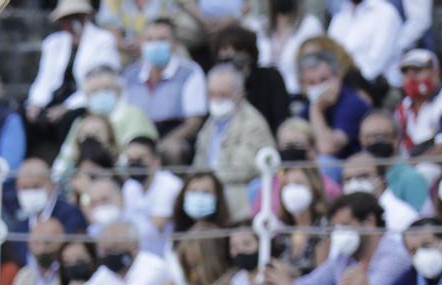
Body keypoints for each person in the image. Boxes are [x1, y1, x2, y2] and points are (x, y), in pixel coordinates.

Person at [28, 0, 121, 138]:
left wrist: (66, 108)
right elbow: (44, 78)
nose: (69, 23)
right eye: (65, 19)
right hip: (55, 98)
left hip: (84, 99)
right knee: (26, 117)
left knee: (71, 118)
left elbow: (101, 82)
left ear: (85, 17)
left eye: (74, 17)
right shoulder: (53, 43)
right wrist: (35, 103)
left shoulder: (103, 40)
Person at [191, 63, 272, 212]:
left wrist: (209, 181)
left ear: (239, 94)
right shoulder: (211, 123)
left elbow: (243, 169)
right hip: (209, 187)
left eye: (223, 95)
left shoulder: (253, 124)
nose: (216, 100)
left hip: (238, 189)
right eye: (212, 94)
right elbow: (199, 162)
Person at [124, 18, 206, 156]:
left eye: (162, 39)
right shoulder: (130, 75)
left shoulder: (190, 72)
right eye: (149, 40)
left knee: (173, 150)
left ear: (174, 43)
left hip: (173, 134)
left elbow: (193, 122)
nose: (155, 45)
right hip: (136, 137)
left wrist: (160, 146)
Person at [301, 48, 372, 159]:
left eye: (324, 80)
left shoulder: (352, 103)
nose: (318, 87)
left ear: (337, 77)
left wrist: (316, 110)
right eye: (311, 82)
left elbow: (328, 148)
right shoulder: (307, 105)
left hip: (353, 166)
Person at [330, 0, 404, 88]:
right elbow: (330, 51)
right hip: (344, 85)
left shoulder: (385, 13)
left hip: (381, 87)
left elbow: (375, 64)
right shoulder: (340, 16)